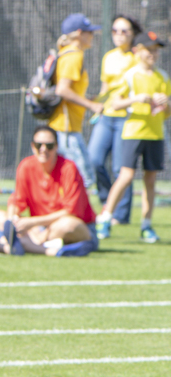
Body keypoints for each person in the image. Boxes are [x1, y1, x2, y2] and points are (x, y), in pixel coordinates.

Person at [95, 31, 168, 245]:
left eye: (156, 50)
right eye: (149, 50)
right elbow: (114, 103)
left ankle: (146, 225)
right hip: (133, 133)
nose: (153, 54)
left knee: (151, 181)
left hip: (155, 134)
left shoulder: (162, 77)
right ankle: (105, 217)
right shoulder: (130, 75)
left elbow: (167, 112)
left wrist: (166, 103)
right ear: (137, 51)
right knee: (125, 177)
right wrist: (135, 99)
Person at [0, 125, 97, 257]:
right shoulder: (26, 166)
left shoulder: (68, 168)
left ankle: (25, 245)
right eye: (39, 145)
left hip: (73, 227)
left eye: (49, 146)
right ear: (33, 146)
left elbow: (71, 212)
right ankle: (47, 248)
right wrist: (12, 220)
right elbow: (17, 202)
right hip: (38, 229)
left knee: (67, 225)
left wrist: (32, 223)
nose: (43, 150)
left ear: (56, 147)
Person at [87, 15, 140, 225]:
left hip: (127, 117)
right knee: (94, 160)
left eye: (124, 31)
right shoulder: (108, 56)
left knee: (122, 169)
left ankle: (120, 215)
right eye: (115, 30)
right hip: (107, 115)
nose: (119, 35)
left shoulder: (138, 57)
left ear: (133, 33)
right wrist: (96, 107)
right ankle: (107, 204)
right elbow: (105, 88)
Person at [49, 13, 104, 188]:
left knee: (71, 180)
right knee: (82, 180)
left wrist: (87, 100)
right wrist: (91, 105)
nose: (92, 36)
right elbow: (62, 89)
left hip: (66, 127)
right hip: (66, 129)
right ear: (80, 33)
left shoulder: (66, 53)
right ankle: (71, 215)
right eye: (90, 32)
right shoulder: (74, 55)